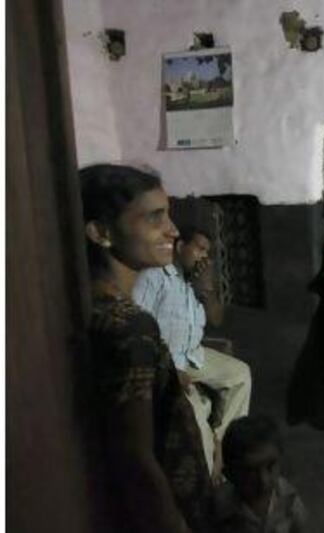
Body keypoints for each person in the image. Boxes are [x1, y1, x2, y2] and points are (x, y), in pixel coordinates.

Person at [81, 163, 212, 533]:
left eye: (167, 215)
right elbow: (135, 456)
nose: (172, 230)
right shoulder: (129, 327)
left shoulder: (99, 307)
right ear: (102, 232)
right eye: (155, 218)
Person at [133, 225, 252, 480]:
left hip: (194, 356)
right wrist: (168, 369)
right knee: (196, 414)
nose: (203, 257)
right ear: (180, 247)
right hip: (168, 362)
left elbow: (217, 320)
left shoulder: (196, 282)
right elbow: (137, 327)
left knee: (241, 374)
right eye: (199, 248)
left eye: (207, 252)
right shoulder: (155, 277)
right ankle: (210, 474)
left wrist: (206, 289)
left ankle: (224, 442)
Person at [215, 415, 307, 533]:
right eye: (250, 472)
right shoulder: (219, 509)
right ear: (230, 475)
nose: (264, 480)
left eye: (270, 466)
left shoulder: (290, 501)